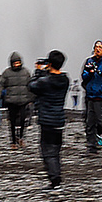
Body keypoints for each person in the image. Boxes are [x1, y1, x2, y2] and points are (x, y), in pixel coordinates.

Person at [28, 49, 71, 192]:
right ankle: (56, 177)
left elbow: (32, 86)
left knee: (48, 152)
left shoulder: (44, 81)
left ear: (50, 63)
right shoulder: (65, 80)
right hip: (59, 119)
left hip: (47, 120)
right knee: (56, 151)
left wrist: (39, 71)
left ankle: (55, 181)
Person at [0, 51, 32, 146]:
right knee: (12, 122)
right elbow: (0, 85)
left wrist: (31, 98)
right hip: (11, 101)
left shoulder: (26, 72)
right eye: (15, 63)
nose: (17, 65)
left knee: (23, 120)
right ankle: (13, 141)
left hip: (23, 100)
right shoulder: (6, 73)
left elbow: (30, 86)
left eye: (18, 63)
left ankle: (21, 137)